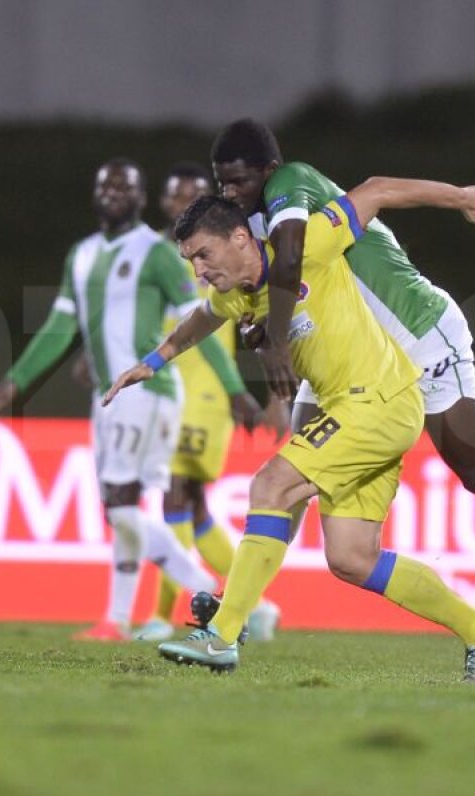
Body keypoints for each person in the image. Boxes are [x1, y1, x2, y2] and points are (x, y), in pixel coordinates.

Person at [104, 180, 475, 683]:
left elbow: (377, 190)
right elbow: (202, 319)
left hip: (377, 401)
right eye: (191, 261)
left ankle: (224, 632)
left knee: (271, 485)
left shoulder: (305, 246)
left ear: (240, 238)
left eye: (203, 254)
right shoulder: (237, 295)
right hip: (363, 409)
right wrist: (154, 361)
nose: (199, 270)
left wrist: (460, 199)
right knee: (351, 558)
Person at [211, 119, 475, 622]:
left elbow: (370, 197)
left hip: (421, 330)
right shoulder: (247, 226)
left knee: (474, 467)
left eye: (240, 181)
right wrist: (262, 333)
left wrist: (459, 197)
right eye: (222, 184)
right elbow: (270, 294)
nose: (230, 193)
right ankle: (237, 603)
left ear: (269, 171)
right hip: (355, 358)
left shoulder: (290, 183)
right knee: (299, 459)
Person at [0, 158, 251, 641]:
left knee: (124, 505)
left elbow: (198, 323)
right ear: (95, 194)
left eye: (123, 186)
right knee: (121, 509)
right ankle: (118, 619)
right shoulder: (81, 255)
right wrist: (17, 380)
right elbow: (62, 326)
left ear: (140, 197)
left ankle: (210, 595)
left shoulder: (158, 253)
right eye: (105, 185)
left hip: (148, 393)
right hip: (109, 398)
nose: (112, 193)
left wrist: (233, 387)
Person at [132, 162, 287, 643]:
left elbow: (246, 317)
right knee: (193, 509)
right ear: (165, 203)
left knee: (175, 495)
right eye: (177, 197)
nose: (184, 204)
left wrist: (248, 392)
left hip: (202, 394)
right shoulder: (163, 254)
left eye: (194, 196)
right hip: (171, 388)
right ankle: (255, 608)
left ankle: (163, 616)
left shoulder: (219, 252)